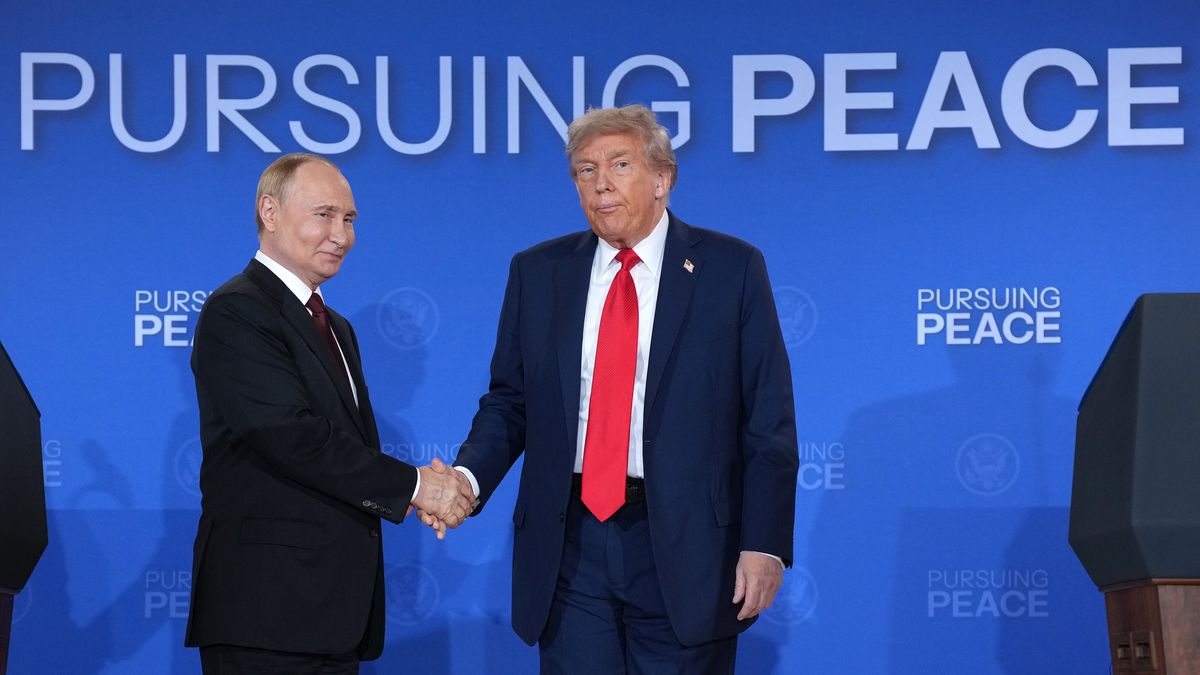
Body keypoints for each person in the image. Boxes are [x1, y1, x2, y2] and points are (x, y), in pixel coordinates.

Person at [441, 104, 799, 674]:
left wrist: (765, 543)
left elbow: (767, 420)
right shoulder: (539, 272)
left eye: (620, 165)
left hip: (688, 547)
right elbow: (511, 402)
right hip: (571, 542)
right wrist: (466, 478)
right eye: (585, 170)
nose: (601, 183)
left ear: (662, 178)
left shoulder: (730, 269)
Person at [185, 153, 473, 674]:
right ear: (269, 212)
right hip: (266, 613)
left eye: (349, 219)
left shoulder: (336, 327)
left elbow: (344, 452)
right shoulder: (238, 310)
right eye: (324, 214)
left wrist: (413, 488)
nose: (341, 235)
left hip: (333, 612)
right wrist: (416, 487)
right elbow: (292, 436)